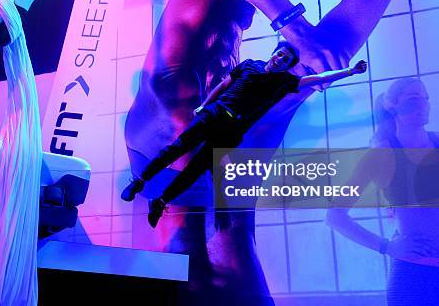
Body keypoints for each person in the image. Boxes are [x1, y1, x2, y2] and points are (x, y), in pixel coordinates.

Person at [124, 0, 403, 306]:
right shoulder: (166, 85)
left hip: (237, 298)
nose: (223, 37)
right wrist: (295, 23)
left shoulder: (267, 96)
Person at [124, 48, 367, 226]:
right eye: (280, 54)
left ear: (288, 65)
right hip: (213, 114)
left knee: (196, 169)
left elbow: (320, 79)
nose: (280, 59)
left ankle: (160, 201)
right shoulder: (250, 64)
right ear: (274, 53)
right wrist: (204, 105)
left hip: (233, 130)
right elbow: (223, 85)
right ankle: (139, 181)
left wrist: (349, 71)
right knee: (176, 149)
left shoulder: (285, 82)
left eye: (286, 60)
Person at [326, 78, 439, 306]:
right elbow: (335, 216)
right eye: (413, 99)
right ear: (391, 105)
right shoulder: (380, 155)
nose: (423, 104)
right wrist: (386, 247)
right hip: (413, 277)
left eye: (425, 98)